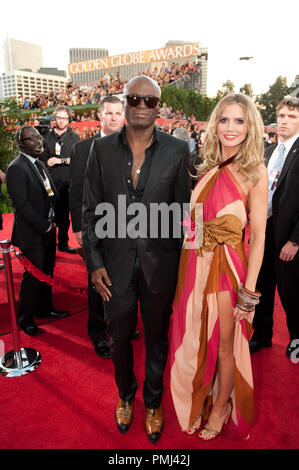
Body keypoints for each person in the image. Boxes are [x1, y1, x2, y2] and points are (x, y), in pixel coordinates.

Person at [82, 75, 191, 443]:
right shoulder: (101, 149)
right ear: (125, 102)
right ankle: (125, 395)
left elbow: (185, 213)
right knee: (119, 337)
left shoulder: (178, 150)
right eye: (135, 99)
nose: (142, 106)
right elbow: (91, 209)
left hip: (161, 266)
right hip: (113, 266)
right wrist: (94, 262)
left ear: (159, 107)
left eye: (150, 101)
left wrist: (187, 269)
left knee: (157, 339)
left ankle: (154, 402)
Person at [170, 93, 268, 441]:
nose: (230, 127)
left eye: (238, 121)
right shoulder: (207, 165)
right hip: (197, 262)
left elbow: (257, 238)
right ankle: (205, 393)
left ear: (249, 126)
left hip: (228, 268)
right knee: (198, 335)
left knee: (225, 345)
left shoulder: (256, 171)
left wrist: (249, 292)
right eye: (224, 120)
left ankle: (220, 407)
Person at [70, 95, 125, 359]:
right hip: (95, 224)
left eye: (118, 113)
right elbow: (76, 189)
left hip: (126, 225)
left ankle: (120, 325)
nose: (114, 117)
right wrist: (78, 226)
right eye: (109, 113)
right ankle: (97, 332)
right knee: (97, 278)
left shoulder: (132, 144)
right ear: (99, 115)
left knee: (124, 279)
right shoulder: (82, 149)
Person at [5, 126, 69, 336]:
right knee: (33, 277)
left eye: (39, 137)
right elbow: (22, 206)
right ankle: (26, 318)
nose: (38, 141)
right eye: (31, 139)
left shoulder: (39, 164)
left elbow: (51, 194)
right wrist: (45, 225)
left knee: (47, 273)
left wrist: (55, 221)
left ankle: (44, 308)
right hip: (31, 234)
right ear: (21, 144)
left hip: (48, 230)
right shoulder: (16, 167)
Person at [249, 96, 299, 360]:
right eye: (281, 116)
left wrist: (295, 240)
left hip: (289, 237)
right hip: (262, 232)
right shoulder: (267, 152)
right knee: (261, 286)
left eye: (291, 116)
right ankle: (261, 335)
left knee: (292, 292)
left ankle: (296, 338)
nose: (284, 121)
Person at [40, 105, 80, 254]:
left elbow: (78, 159)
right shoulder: (45, 137)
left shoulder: (74, 138)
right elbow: (41, 160)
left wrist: (60, 160)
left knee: (64, 217)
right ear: (54, 118)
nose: (61, 121)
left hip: (68, 183)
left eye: (64, 118)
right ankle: (49, 246)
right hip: (50, 183)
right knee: (50, 215)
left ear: (69, 120)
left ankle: (63, 243)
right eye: (59, 117)